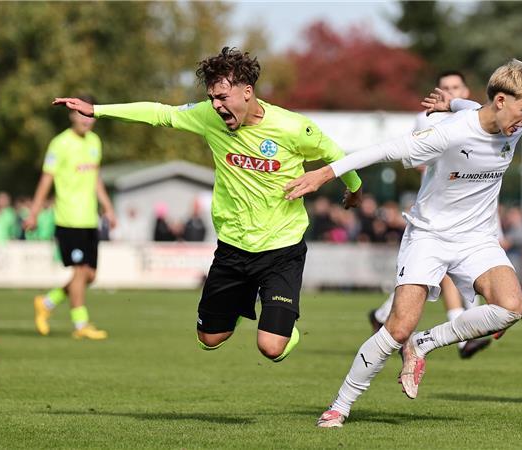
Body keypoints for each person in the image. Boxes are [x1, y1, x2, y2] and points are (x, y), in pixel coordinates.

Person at [53, 47, 363, 362]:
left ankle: (283, 328)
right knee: (209, 339)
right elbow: (161, 114)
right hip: (233, 247)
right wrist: (99, 110)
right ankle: (243, 306)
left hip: (281, 248)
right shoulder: (207, 116)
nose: (215, 105)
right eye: (212, 97)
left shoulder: (293, 128)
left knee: (271, 347)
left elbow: (336, 156)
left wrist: (354, 190)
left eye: (222, 97)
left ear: (247, 91)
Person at [285, 59, 522, 427]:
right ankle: (340, 405)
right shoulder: (451, 133)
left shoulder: (506, 124)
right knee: (398, 327)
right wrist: (326, 173)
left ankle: (424, 344)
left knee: (510, 306)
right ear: (501, 100)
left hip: (476, 238)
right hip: (429, 235)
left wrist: (448, 102)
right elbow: (384, 150)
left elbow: (469, 105)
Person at [368, 70, 493, 359]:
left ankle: (382, 314)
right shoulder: (428, 118)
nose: (451, 91)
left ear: (465, 90)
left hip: (475, 210)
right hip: (439, 211)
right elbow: (416, 157)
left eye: (456, 87)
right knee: (443, 272)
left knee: (430, 277)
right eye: (445, 87)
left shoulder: (479, 118)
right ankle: (462, 334)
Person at [24, 95, 116, 340]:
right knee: (78, 272)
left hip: (89, 219)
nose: (86, 121)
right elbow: (47, 178)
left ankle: (47, 302)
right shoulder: (60, 144)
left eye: (90, 116)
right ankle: (80, 324)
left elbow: (95, 178)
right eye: (81, 115)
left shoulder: (95, 142)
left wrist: (108, 207)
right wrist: (34, 212)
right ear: (72, 115)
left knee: (90, 275)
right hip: (68, 218)